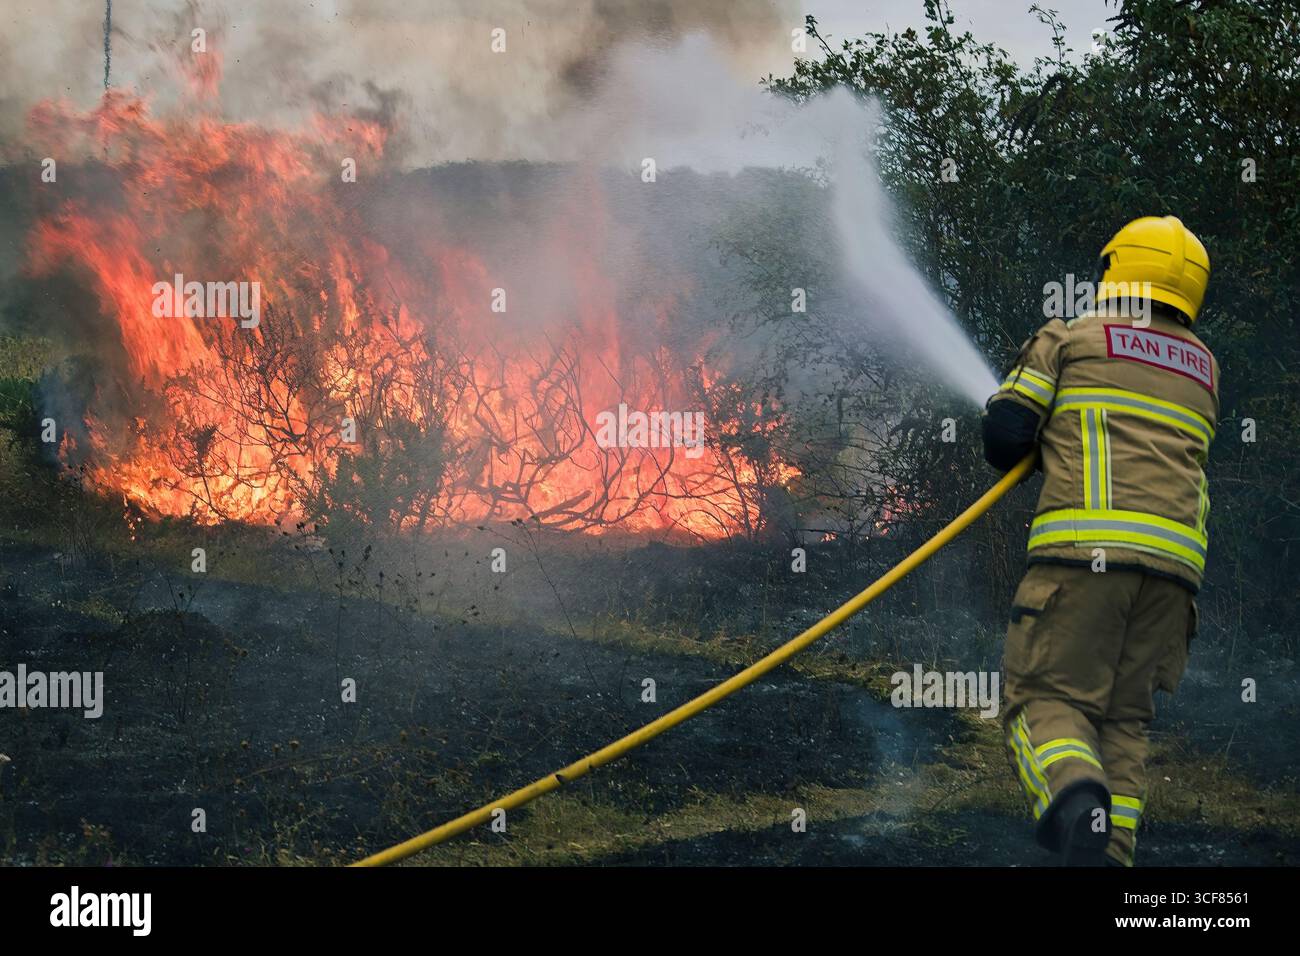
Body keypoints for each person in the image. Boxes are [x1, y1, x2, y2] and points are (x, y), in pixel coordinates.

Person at [981, 216, 1219, 866]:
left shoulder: (1073, 337)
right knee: (1123, 722)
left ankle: (1076, 799)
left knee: (1043, 697)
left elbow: (1005, 440)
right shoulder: (1203, 369)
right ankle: (1111, 860)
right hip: (1173, 582)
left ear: (1117, 269)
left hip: (1082, 563)